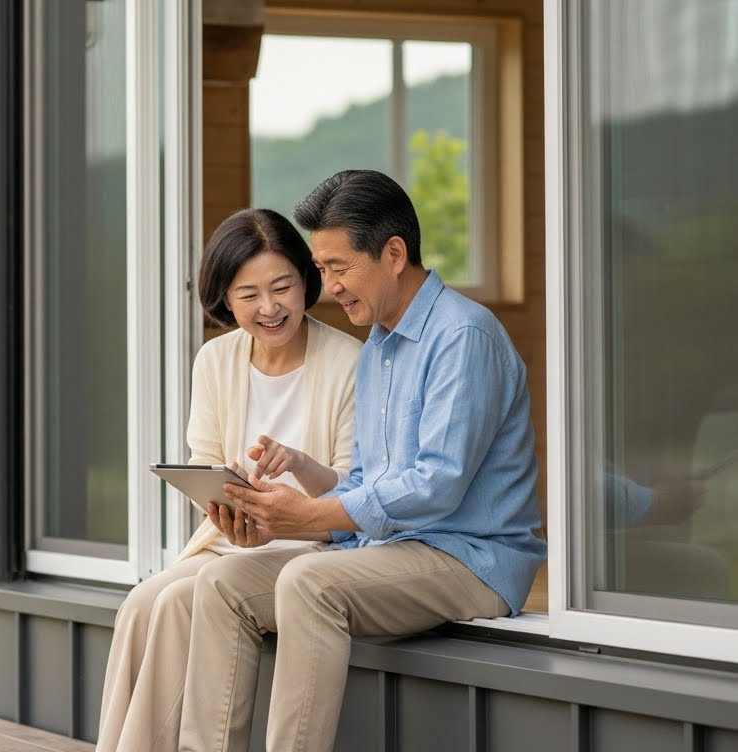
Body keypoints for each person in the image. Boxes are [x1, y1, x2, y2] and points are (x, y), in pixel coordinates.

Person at [177, 170, 546, 752]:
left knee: (307, 579)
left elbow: (436, 486)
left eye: (337, 267)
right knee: (222, 582)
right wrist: (286, 499)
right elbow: (367, 482)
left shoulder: (462, 336)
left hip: (472, 557)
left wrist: (308, 520)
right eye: (321, 270)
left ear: (393, 254)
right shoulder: (380, 344)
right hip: (394, 550)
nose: (327, 287)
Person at [95, 208, 362, 752]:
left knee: (173, 606)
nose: (270, 307)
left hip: (310, 547)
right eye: (248, 295)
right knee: (141, 603)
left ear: (305, 280)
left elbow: (353, 492)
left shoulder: (350, 361)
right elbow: (207, 466)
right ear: (224, 298)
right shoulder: (215, 359)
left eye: (282, 286)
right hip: (230, 544)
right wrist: (230, 511)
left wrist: (292, 492)